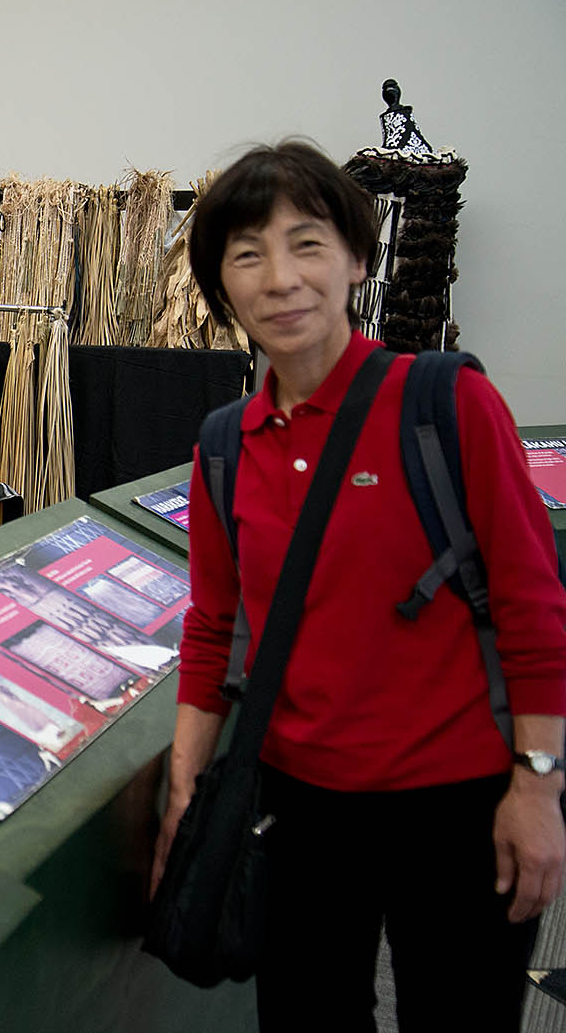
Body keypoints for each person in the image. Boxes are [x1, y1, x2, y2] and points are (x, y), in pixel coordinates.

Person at [149, 140, 566, 1031]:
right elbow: (213, 627)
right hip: (299, 813)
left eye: (307, 243)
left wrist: (539, 788)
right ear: (221, 286)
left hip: (461, 804)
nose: (280, 279)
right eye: (247, 255)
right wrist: (185, 790)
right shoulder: (225, 446)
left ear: (356, 260)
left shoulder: (445, 405)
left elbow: (533, 607)